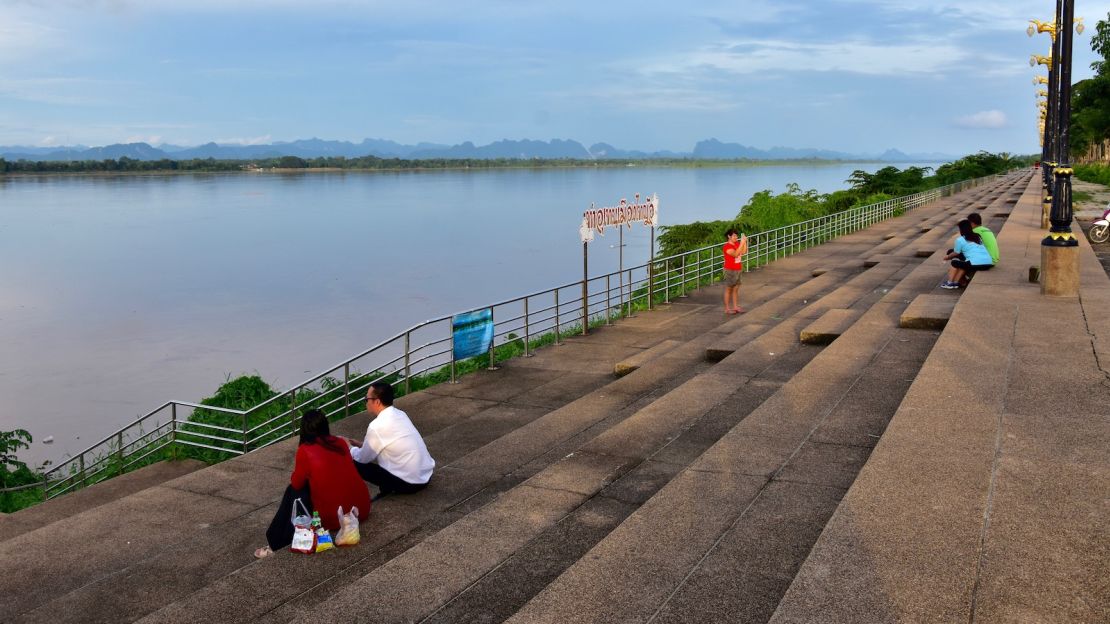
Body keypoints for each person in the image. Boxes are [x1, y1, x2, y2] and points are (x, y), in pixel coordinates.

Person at [255, 409, 371, 558]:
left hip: (334, 518)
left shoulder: (305, 450)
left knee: (293, 491)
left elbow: (296, 484)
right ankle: (275, 541)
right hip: (360, 508)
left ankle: (275, 542)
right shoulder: (341, 442)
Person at [349, 382, 435, 497]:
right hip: (424, 476)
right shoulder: (400, 414)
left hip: (409, 483)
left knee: (353, 462)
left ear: (377, 401)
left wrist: (349, 448)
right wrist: (361, 445)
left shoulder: (377, 426)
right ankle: (386, 488)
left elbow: (363, 459)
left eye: (367, 399)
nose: (366, 402)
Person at [940, 219, 994, 289]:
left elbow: (956, 253)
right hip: (988, 262)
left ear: (961, 229)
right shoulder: (977, 236)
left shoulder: (960, 240)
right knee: (962, 263)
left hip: (976, 264)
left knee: (954, 262)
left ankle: (950, 283)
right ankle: (955, 283)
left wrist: (947, 257)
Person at [721, 228, 748, 314]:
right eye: (734, 235)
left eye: (736, 235)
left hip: (738, 269)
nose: (736, 237)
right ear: (729, 236)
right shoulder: (727, 247)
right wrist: (742, 243)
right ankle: (727, 309)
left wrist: (744, 243)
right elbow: (736, 254)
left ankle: (736, 306)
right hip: (730, 270)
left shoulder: (736, 243)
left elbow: (743, 252)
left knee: (736, 288)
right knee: (729, 288)